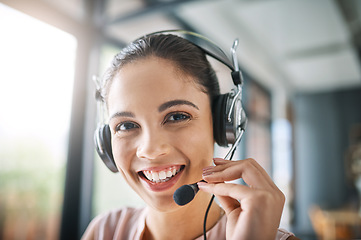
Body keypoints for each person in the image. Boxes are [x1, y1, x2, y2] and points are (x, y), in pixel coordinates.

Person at [82, 31, 299, 240]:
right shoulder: (105, 230)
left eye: (176, 117)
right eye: (126, 125)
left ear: (222, 125)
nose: (150, 149)